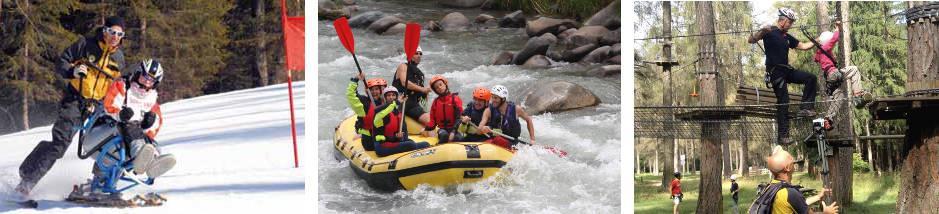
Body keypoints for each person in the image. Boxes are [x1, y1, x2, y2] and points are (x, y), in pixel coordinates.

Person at [17, 16, 128, 197]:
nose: (115, 36)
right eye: (112, 32)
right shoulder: (85, 45)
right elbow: (62, 62)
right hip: (75, 101)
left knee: (109, 141)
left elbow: (114, 86)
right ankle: (26, 182)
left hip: (98, 107)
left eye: (119, 34)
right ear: (104, 30)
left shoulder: (119, 58)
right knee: (59, 145)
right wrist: (72, 71)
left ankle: (100, 185)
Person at [747, 8, 819, 145]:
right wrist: (762, 31)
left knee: (811, 78)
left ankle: (805, 108)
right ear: (784, 20)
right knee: (784, 101)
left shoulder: (786, 37)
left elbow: (803, 46)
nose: (791, 25)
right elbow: (751, 40)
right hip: (775, 73)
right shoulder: (769, 31)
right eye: (790, 22)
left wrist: (816, 41)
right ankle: (783, 136)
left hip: (787, 70)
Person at [98, 59, 175, 181]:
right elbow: (109, 104)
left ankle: (153, 160)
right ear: (139, 73)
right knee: (131, 127)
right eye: (145, 76)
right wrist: (120, 114)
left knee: (150, 142)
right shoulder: (123, 86)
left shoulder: (151, 97)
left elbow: (157, 121)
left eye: (151, 80)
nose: (147, 81)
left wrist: (148, 124)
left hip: (134, 132)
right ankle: (140, 155)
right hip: (111, 126)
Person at [813, 20, 871, 129]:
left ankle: (828, 119)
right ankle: (858, 96)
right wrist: (837, 27)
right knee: (854, 69)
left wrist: (818, 42)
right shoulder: (825, 47)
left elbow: (816, 58)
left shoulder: (819, 52)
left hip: (829, 79)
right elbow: (834, 38)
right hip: (834, 73)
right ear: (826, 42)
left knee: (839, 97)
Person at [749, 147, 839, 214]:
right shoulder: (789, 193)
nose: (793, 159)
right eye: (790, 158)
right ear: (787, 168)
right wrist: (826, 212)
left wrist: (818, 197)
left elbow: (800, 204)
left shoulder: (770, 187)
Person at [366, 87, 430, 157]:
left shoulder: (398, 113)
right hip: (382, 146)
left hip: (393, 142)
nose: (391, 97)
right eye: (388, 95)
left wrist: (400, 137)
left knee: (422, 143)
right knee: (410, 145)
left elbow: (404, 131)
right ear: (385, 98)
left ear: (396, 97)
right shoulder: (379, 112)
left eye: (393, 95)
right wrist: (397, 102)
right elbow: (384, 111)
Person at [392, 46, 431, 128]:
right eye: (416, 53)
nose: (419, 55)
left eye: (420, 54)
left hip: (412, 105)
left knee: (430, 120)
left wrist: (425, 94)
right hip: (400, 102)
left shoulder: (420, 74)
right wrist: (422, 89)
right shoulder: (403, 66)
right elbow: (404, 82)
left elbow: (422, 98)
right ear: (410, 55)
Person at [347, 73, 387, 151]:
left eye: (376, 89)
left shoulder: (385, 101)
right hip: (369, 140)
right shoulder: (364, 102)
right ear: (367, 91)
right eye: (371, 90)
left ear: (380, 91)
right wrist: (355, 80)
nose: (374, 92)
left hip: (383, 136)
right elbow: (351, 95)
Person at [424, 75, 463, 143]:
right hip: (442, 130)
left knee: (458, 138)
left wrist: (453, 132)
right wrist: (426, 128)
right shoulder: (435, 102)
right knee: (444, 135)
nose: (439, 87)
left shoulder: (455, 99)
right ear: (435, 90)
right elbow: (433, 121)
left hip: (455, 128)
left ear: (445, 84)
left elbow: (459, 118)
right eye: (436, 87)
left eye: (440, 84)